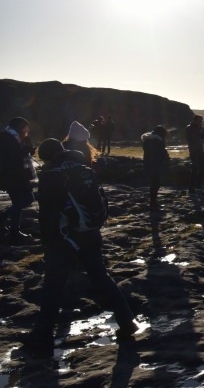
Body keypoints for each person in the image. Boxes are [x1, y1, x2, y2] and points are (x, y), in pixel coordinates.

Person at [20, 138, 137, 358]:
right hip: (90, 233)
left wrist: (48, 240)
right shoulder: (84, 170)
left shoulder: (50, 175)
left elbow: (48, 213)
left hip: (63, 238)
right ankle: (127, 320)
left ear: (46, 157)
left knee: (53, 286)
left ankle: (42, 334)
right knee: (101, 278)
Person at [0, 117, 36, 244]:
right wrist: (25, 148)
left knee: (27, 199)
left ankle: (5, 220)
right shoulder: (7, 139)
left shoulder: (17, 138)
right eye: (26, 127)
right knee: (19, 202)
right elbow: (11, 159)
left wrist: (28, 147)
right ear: (20, 127)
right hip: (12, 177)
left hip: (19, 176)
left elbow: (24, 154)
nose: (27, 130)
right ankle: (14, 231)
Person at [142, 126, 170, 211]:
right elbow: (161, 152)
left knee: (154, 183)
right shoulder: (157, 141)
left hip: (149, 164)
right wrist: (166, 159)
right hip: (156, 164)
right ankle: (153, 202)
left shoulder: (148, 141)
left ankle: (153, 201)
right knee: (156, 183)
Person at [185, 115, 204, 193]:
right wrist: (199, 132)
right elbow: (191, 138)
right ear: (195, 120)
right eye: (200, 121)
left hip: (200, 150)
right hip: (194, 150)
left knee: (201, 168)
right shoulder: (189, 128)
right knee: (195, 168)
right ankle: (191, 186)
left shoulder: (198, 128)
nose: (201, 123)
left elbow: (202, 137)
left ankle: (198, 184)